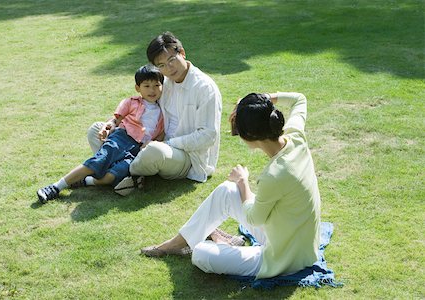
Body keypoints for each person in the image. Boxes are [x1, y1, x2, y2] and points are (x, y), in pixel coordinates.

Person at [141, 92, 321, 280]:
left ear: (248, 136)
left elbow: (254, 218)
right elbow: (299, 98)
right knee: (226, 190)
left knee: (200, 254)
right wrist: (262, 99)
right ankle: (178, 243)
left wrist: (243, 181)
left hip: (286, 258)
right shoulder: (296, 136)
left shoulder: (274, 175)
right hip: (297, 239)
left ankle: (217, 240)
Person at [87, 31, 222, 191]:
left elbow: (208, 136)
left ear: (182, 53)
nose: (169, 68)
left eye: (172, 60)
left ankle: (110, 173)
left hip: (187, 156)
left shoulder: (204, 88)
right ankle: (126, 172)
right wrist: (112, 123)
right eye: (161, 65)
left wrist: (166, 143)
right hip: (151, 142)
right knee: (96, 129)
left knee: (154, 151)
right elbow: (142, 106)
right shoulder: (164, 83)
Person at [36, 64, 165, 203]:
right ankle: (55, 187)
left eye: (156, 85)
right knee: (98, 161)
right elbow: (115, 120)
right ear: (137, 88)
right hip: (121, 139)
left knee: (113, 175)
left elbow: (161, 134)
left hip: (137, 150)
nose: (152, 90)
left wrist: (151, 143)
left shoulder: (163, 112)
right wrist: (107, 127)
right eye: (147, 86)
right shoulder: (131, 102)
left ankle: (87, 181)